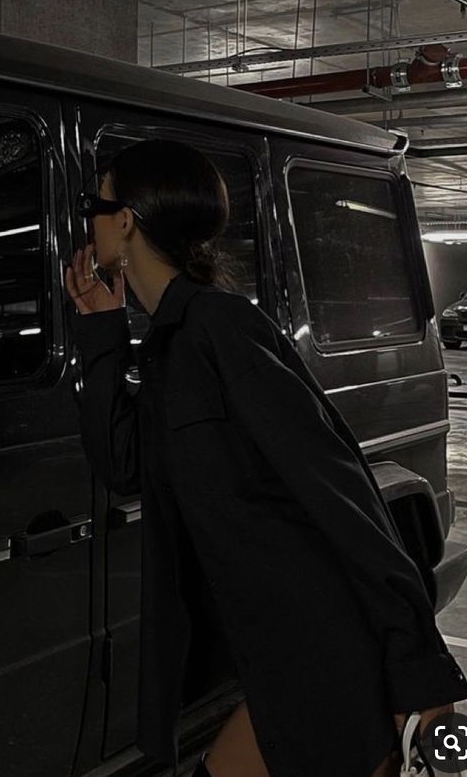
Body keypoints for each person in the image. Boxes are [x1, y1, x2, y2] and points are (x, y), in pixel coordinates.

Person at [65, 139, 467, 777]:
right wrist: (100, 330)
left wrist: (415, 673)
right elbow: (125, 466)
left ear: (126, 221)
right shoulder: (167, 343)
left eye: (97, 202)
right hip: (276, 654)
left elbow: (344, 497)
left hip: (328, 650)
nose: (87, 218)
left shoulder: (225, 329)